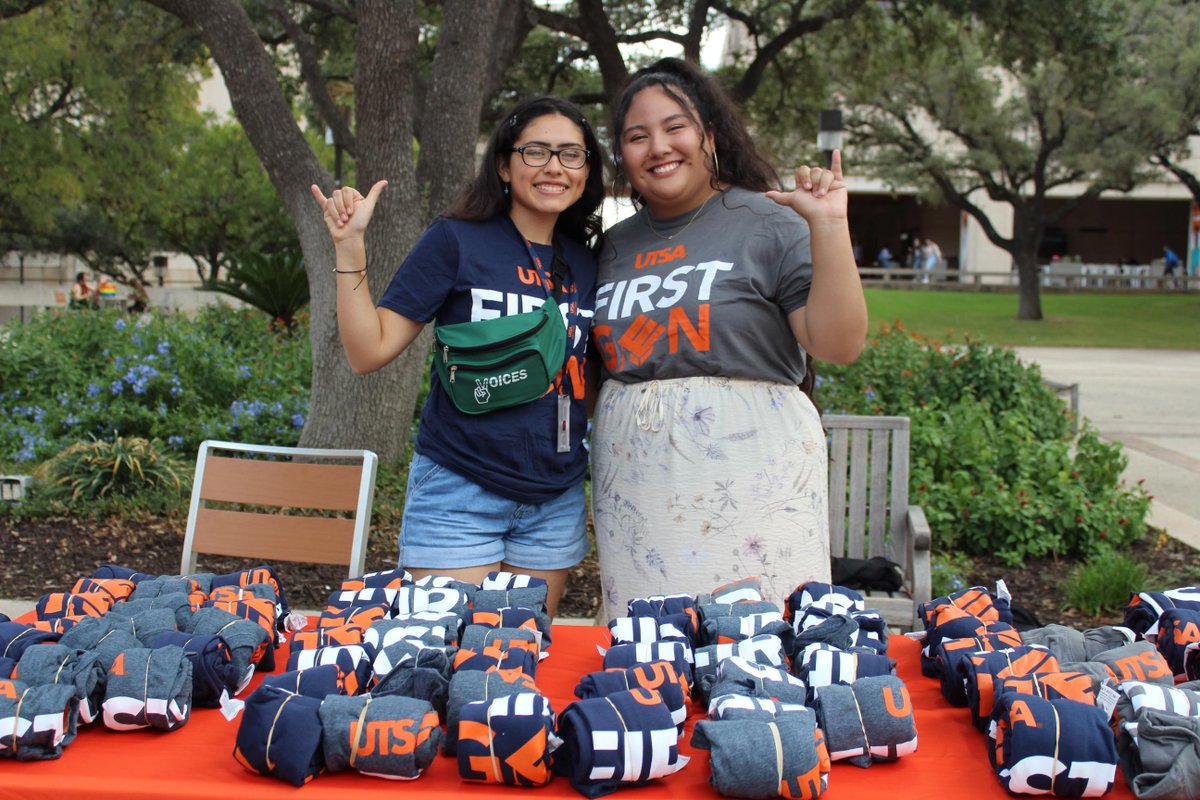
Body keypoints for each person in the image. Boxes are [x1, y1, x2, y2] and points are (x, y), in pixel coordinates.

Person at [589, 58, 867, 619]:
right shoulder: (613, 246)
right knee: (651, 655)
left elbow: (838, 345)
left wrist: (830, 227)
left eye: (675, 128)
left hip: (754, 481)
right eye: (637, 137)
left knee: (758, 646)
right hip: (637, 492)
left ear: (709, 136)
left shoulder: (770, 219)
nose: (658, 147)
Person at [308, 96, 605, 618]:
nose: (554, 166)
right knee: (443, 658)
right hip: (459, 490)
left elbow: (595, 375)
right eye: (536, 151)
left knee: (519, 657)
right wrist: (349, 247)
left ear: (586, 171)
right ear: (503, 165)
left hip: (554, 496)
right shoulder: (456, 239)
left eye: (571, 154)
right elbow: (367, 352)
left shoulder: (588, 260)